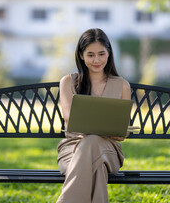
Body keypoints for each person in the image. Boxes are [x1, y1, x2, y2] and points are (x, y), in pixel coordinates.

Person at [56, 28, 131, 203]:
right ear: (81, 55)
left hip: (109, 149)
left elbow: (123, 130)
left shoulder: (122, 85)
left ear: (109, 54)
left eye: (101, 54)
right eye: (90, 55)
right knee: (96, 168)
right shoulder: (68, 82)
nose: (96, 60)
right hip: (73, 148)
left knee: (93, 142)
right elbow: (70, 119)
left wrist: (118, 131)